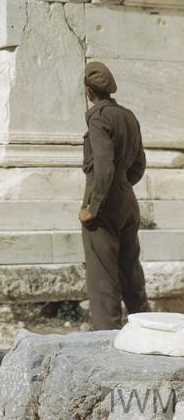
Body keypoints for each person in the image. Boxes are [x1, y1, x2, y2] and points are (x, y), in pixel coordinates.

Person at [79, 60, 150, 330]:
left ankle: (106, 339)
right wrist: (123, 185)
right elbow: (139, 163)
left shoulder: (99, 118)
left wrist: (93, 207)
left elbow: (104, 165)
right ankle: (144, 327)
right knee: (131, 270)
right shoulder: (128, 116)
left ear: (89, 92)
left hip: (103, 200)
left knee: (102, 276)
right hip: (126, 196)